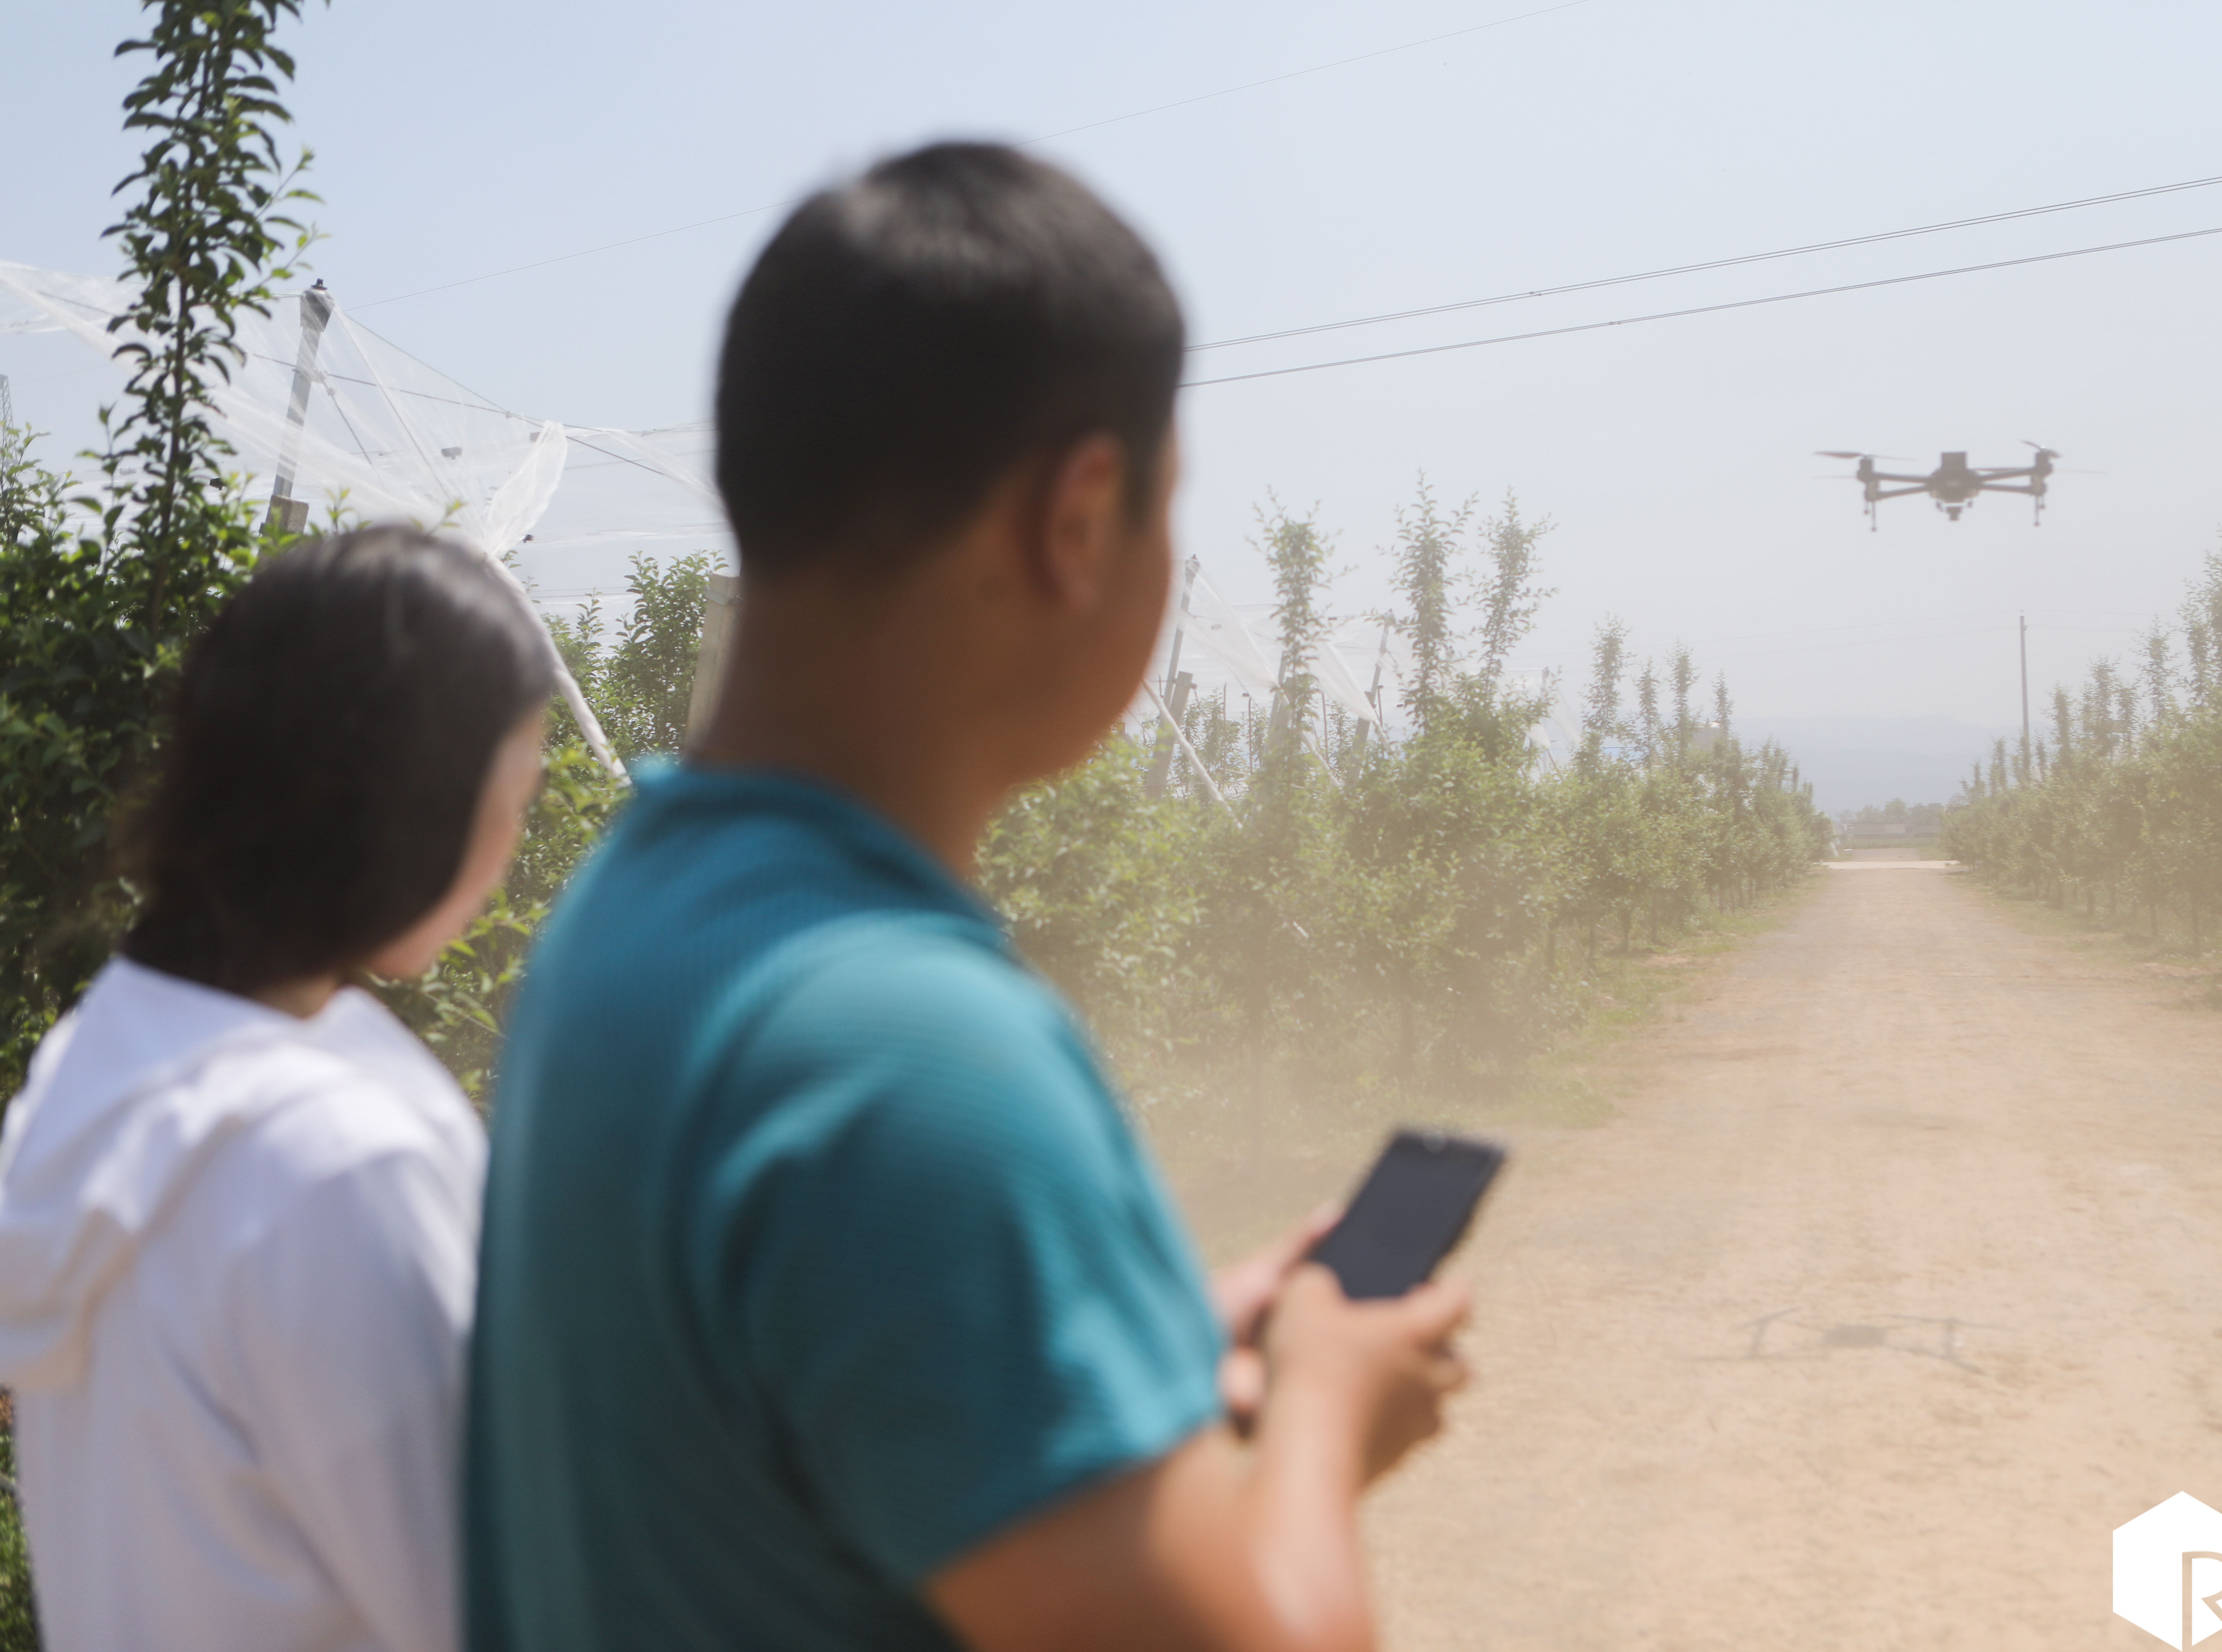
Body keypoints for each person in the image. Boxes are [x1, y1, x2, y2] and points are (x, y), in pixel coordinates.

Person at [465, 142, 1472, 1652]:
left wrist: (1144, 1356)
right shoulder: (909, 1055)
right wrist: (1331, 1408)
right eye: (1167, 507)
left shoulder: (634, 915)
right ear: (1075, 520)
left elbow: (798, 1412)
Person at [0, 527, 553, 1652]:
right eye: (523, 787)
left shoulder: (97, 1071)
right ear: (424, 803)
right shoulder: (336, 1170)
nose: (519, 837)